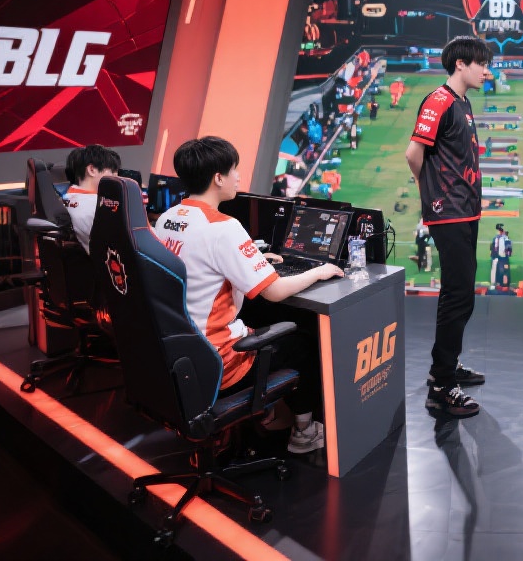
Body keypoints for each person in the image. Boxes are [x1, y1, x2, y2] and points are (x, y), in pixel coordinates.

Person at [154, 136, 343, 454]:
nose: (238, 177)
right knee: (304, 345)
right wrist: (320, 271)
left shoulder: (167, 219)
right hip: (219, 361)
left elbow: (198, 264)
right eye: (234, 170)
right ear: (218, 178)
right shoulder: (224, 227)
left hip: (179, 355)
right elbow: (275, 291)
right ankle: (304, 433)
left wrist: (250, 257)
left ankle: (269, 415)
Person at [405, 36, 493, 418]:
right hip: (450, 213)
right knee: (458, 296)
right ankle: (441, 386)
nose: (486, 71)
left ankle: (446, 365)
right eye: (481, 63)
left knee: (460, 295)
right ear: (460, 63)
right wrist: (430, 191)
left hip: (466, 212)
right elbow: (413, 153)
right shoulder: (438, 100)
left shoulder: (463, 102)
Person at [64, 144, 121, 253]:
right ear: (92, 169)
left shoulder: (67, 199)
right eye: (112, 172)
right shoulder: (99, 206)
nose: (117, 178)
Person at [490, 223, 513, 289]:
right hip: (496, 256)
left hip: (503, 257)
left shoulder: (506, 239)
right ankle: (494, 284)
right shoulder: (496, 238)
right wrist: (493, 254)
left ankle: (504, 285)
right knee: (495, 270)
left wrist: (507, 254)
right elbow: (492, 246)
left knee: (504, 271)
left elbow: (509, 248)